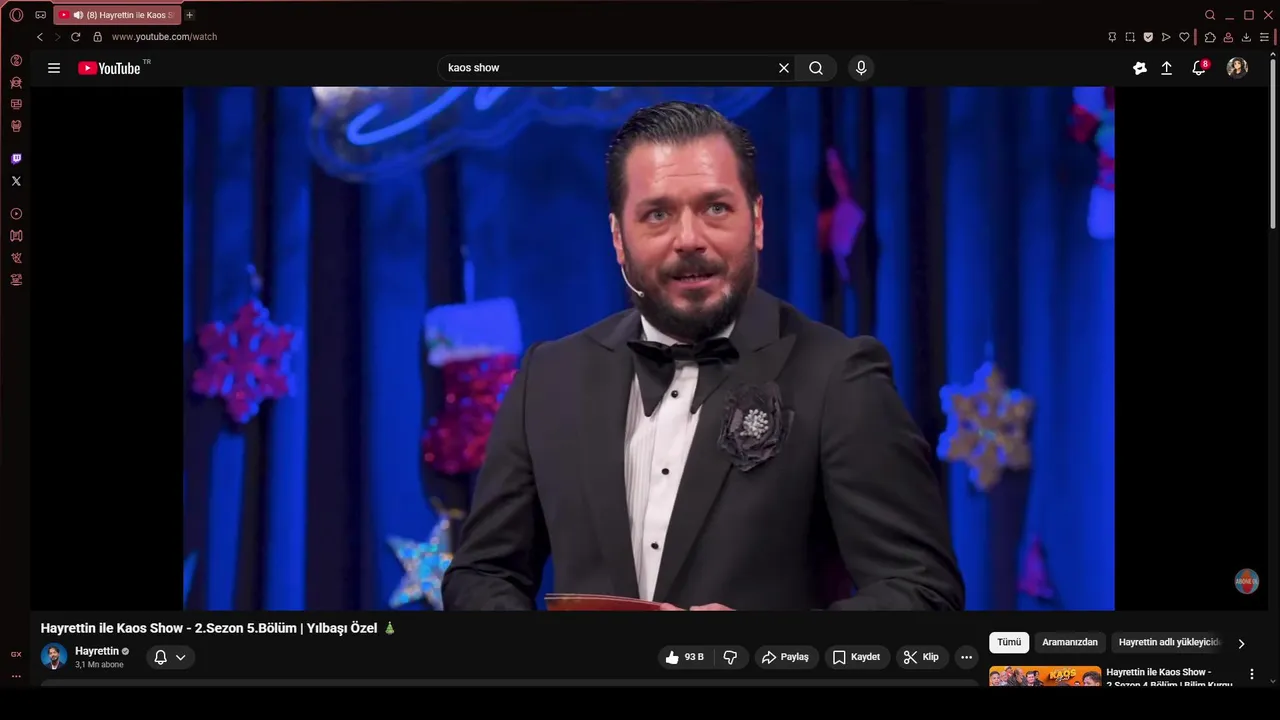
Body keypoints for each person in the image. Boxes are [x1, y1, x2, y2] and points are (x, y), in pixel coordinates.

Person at [442, 101, 964, 612]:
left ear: (757, 220)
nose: (689, 239)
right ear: (618, 238)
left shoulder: (839, 377)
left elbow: (923, 591)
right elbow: (482, 575)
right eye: (658, 214)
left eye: (715, 208)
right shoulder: (549, 378)